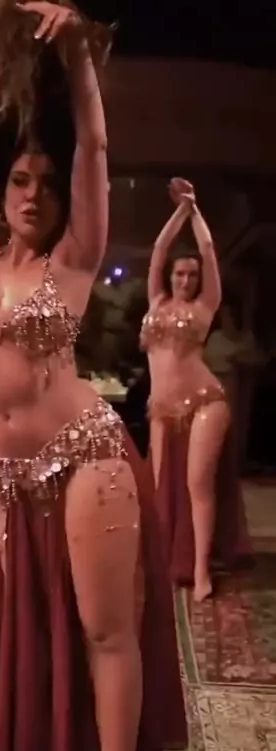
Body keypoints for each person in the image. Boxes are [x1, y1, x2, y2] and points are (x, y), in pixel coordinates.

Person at [0, 3, 186, 751]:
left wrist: (79, 55)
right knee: (42, 630)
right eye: (21, 180)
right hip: (8, 483)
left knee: (105, 630)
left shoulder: (74, 259)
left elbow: (95, 146)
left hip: (85, 458)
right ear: (1, 187)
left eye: (47, 184)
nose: (34, 194)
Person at [141, 177, 250, 602]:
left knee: (196, 483)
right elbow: (157, 250)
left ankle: (202, 570)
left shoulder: (206, 306)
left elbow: (206, 249)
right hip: (162, 407)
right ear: (170, 277)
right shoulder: (156, 302)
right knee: (157, 487)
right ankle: (160, 561)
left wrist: (196, 211)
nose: (185, 279)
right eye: (179, 273)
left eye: (192, 275)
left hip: (205, 402)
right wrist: (180, 211)